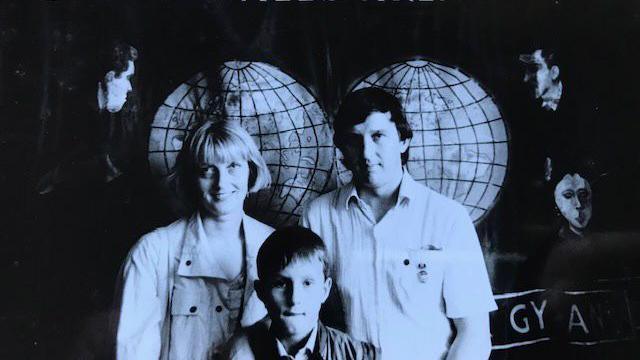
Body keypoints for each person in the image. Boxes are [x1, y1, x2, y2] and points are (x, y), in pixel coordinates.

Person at [301, 87, 497, 359]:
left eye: (378, 136)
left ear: (403, 140)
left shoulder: (448, 217)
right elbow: (302, 320)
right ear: (342, 148)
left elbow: (474, 334)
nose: (366, 153)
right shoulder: (318, 216)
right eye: (354, 140)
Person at [116, 120, 274, 359]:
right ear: (191, 178)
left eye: (233, 166)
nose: (221, 183)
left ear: (250, 171)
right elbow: (132, 352)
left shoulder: (274, 246)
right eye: (207, 170)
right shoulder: (153, 251)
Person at [223, 226, 379, 360]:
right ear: (261, 292)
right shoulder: (239, 353)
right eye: (281, 284)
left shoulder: (357, 355)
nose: (294, 299)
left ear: (324, 290)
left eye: (307, 283)